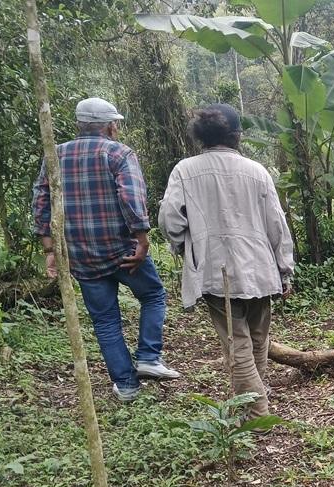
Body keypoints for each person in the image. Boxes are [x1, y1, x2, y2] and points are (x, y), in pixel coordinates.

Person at [32, 97, 181, 402]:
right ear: (111, 126)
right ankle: (149, 357)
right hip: (121, 250)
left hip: (81, 255)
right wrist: (142, 239)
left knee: (105, 320)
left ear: (79, 125)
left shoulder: (55, 154)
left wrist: (50, 247)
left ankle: (126, 385)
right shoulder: (118, 152)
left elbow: (41, 199)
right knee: (153, 295)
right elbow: (131, 197)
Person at [159, 104, 294, 420]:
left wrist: (186, 247)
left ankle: (256, 412)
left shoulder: (185, 170)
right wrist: (285, 270)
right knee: (257, 340)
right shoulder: (257, 171)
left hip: (217, 271)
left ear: (201, 136)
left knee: (239, 344)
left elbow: (169, 220)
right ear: (236, 136)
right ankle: (254, 405)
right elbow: (278, 225)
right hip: (262, 268)